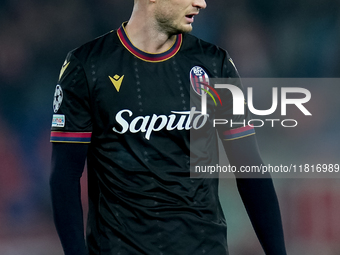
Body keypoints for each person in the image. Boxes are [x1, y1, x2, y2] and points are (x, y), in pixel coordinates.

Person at [50, 0, 287, 254]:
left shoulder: (214, 64)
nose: (202, 3)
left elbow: (249, 168)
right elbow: (64, 177)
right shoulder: (87, 66)